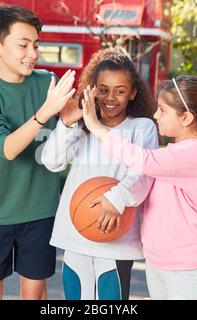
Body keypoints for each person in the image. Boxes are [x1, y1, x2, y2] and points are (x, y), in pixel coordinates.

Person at [81, 74, 197, 300]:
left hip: (190, 267)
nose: (155, 114)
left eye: (162, 109)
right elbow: (142, 176)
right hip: (160, 262)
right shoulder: (173, 153)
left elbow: (142, 160)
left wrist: (96, 127)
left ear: (186, 117)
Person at [0, 4, 76, 300]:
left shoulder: (47, 83)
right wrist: (45, 112)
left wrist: (70, 118)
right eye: (23, 45)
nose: (33, 53)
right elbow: (6, 148)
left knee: (36, 294)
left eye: (36, 45)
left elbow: (72, 132)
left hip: (40, 211)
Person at [41, 48, 159, 300]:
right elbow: (51, 161)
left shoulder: (142, 127)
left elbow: (144, 173)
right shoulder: (82, 125)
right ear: (92, 89)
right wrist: (66, 123)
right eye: (103, 89)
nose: (111, 97)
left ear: (133, 93)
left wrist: (115, 199)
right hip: (76, 233)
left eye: (120, 90)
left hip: (116, 236)